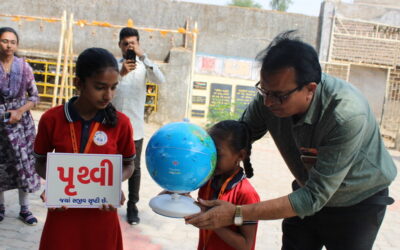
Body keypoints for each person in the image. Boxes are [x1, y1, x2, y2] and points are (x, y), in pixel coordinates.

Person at [185, 31, 397, 250]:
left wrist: (236, 213)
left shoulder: (345, 115)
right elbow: (234, 142)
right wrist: (184, 180)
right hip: (308, 190)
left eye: (278, 95)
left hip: (357, 203)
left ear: (310, 89)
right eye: (264, 90)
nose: (267, 102)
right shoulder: (269, 98)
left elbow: (313, 197)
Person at [34, 48, 135, 250]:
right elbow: (40, 161)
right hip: (62, 215)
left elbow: (129, 164)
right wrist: (55, 185)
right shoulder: (51, 119)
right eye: (100, 87)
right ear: (78, 83)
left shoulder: (121, 123)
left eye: (114, 87)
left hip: (102, 216)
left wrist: (113, 184)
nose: (108, 95)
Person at [112, 27, 165, 225]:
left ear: (138, 44)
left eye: (133, 43)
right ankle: (108, 198)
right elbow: (104, 87)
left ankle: (132, 205)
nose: (129, 47)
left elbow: (161, 79)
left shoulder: (144, 67)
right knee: (109, 164)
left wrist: (145, 57)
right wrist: (120, 73)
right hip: (112, 126)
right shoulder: (112, 66)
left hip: (135, 128)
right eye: (125, 44)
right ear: (119, 45)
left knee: (134, 168)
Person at [197, 120, 260, 250]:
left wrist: (213, 223)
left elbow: (246, 245)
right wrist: (177, 193)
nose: (211, 159)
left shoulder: (246, 194)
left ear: (240, 155)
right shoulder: (207, 180)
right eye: (209, 152)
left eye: (218, 155)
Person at [0, 27, 40, 225]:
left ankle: (25, 209)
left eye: (12, 42)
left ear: (17, 45)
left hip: (21, 125)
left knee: (24, 166)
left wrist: (19, 111)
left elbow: (35, 96)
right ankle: (0, 208)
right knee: (1, 166)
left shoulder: (24, 67)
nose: (8, 45)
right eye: (4, 41)